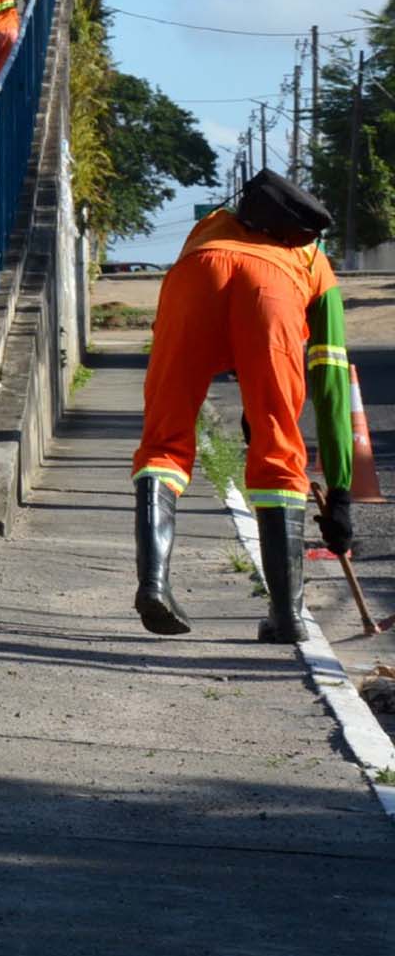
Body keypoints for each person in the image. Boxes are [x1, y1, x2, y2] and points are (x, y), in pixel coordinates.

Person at [130, 169, 352, 643]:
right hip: (272, 295)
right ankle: (287, 615)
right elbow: (331, 379)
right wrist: (341, 494)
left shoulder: (210, 223)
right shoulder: (313, 259)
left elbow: (210, 304)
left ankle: (154, 582)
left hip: (194, 277)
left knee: (164, 443)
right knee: (278, 454)